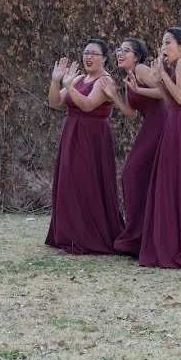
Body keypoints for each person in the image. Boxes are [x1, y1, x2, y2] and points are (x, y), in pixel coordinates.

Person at [45, 39, 124, 254]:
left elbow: (88, 105)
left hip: (92, 138)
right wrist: (56, 80)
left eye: (94, 54)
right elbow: (54, 102)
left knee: (86, 185)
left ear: (105, 58)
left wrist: (69, 85)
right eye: (86, 52)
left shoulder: (105, 81)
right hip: (72, 134)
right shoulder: (79, 77)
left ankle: (86, 238)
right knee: (69, 183)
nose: (88, 57)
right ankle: (68, 236)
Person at [139, 27, 181, 268]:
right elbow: (170, 101)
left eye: (167, 42)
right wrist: (159, 80)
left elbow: (180, 98)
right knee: (174, 180)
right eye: (162, 42)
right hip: (177, 124)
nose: (162, 47)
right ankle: (176, 240)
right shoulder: (177, 67)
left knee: (180, 180)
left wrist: (163, 76)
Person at [98, 38, 166, 256]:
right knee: (138, 177)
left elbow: (166, 93)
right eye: (119, 49)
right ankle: (141, 235)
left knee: (132, 174)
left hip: (163, 125)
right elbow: (131, 115)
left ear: (136, 56)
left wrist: (140, 89)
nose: (120, 53)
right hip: (149, 126)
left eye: (126, 50)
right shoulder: (130, 77)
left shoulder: (142, 69)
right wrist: (114, 96)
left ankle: (137, 236)